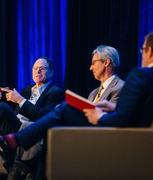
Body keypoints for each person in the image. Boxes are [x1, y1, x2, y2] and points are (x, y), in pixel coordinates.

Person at [0, 30, 153, 180]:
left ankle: (12, 144)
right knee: (52, 129)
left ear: (151, 51)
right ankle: (19, 156)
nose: (142, 54)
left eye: (143, 49)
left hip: (113, 137)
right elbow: (143, 113)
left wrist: (99, 116)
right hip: (129, 136)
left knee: (63, 109)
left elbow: (123, 121)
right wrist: (114, 108)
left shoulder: (140, 75)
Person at [8, 45, 125, 179]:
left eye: (93, 63)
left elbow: (110, 120)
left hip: (97, 138)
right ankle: (25, 167)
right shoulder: (93, 93)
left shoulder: (120, 87)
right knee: (35, 129)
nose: (90, 67)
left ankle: (17, 161)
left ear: (106, 62)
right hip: (80, 133)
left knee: (58, 115)